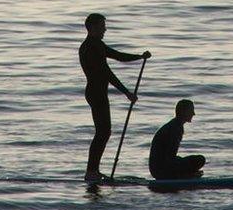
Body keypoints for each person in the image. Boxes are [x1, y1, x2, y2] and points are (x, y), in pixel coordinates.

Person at [79, 13, 151, 182]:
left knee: (103, 132)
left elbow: (118, 56)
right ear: (93, 27)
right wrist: (127, 93)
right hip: (96, 93)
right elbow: (107, 73)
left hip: (97, 92)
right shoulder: (90, 47)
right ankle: (91, 172)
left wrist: (139, 57)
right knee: (103, 132)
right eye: (102, 26)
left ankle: (92, 171)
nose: (105, 29)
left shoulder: (96, 44)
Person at [149, 99, 206, 180]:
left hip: (158, 169)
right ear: (183, 112)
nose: (194, 113)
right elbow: (169, 158)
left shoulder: (175, 125)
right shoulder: (175, 128)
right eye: (191, 110)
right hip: (161, 170)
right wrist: (188, 173)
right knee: (200, 160)